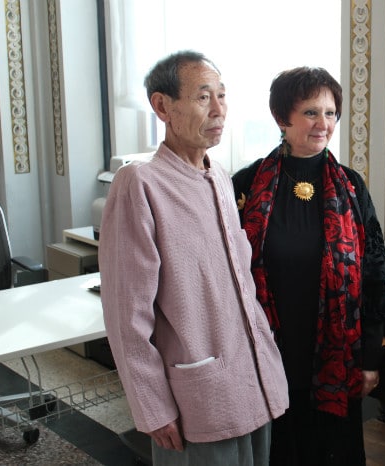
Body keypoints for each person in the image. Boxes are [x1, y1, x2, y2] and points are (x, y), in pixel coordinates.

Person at [99, 50, 289, 465]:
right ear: (162, 106)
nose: (219, 109)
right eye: (204, 97)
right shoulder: (139, 183)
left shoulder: (219, 175)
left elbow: (240, 282)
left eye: (222, 95)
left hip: (253, 381)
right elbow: (125, 315)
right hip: (198, 397)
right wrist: (152, 407)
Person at [232, 66, 385, 466]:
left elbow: (374, 273)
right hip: (266, 352)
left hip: (335, 355)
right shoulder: (245, 186)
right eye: (310, 113)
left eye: (331, 113)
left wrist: (371, 358)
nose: (324, 124)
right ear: (282, 118)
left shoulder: (352, 188)